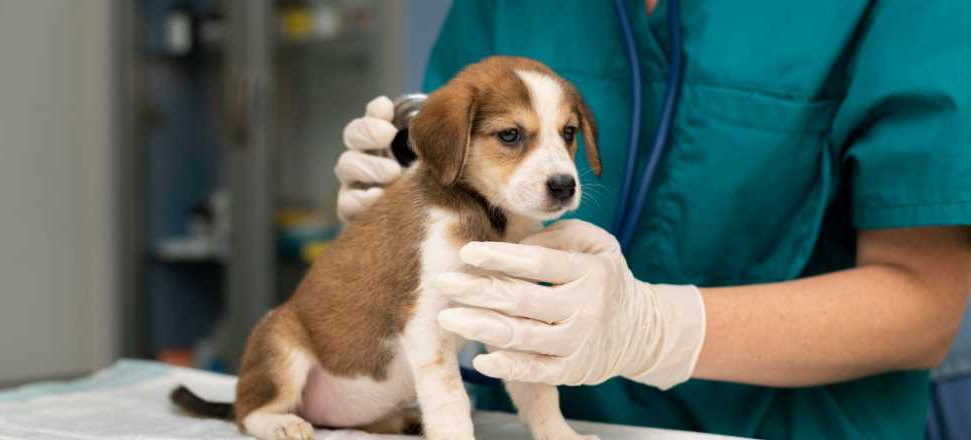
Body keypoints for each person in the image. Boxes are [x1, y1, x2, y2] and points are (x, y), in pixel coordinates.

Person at [335, 1, 971, 438]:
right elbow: (466, 173)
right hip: (530, 419)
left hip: (787, 427)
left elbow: (924, 306)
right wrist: (408, 208)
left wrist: (656, 329)